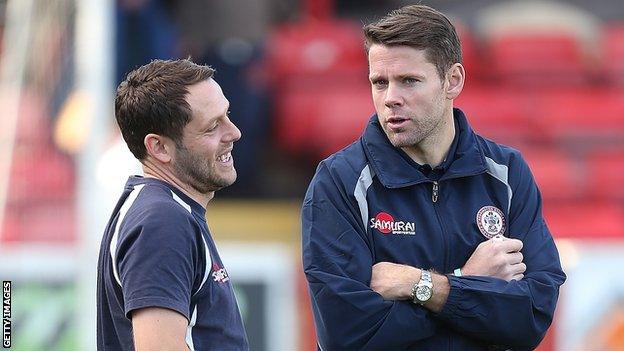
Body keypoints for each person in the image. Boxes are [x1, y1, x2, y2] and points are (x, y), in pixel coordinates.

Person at [301, 5, 565, 351]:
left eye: (409, 80)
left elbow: (531, 317)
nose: (390, 98)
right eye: (379, 83)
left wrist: (421, 285)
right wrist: (469, 283)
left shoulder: (507, 172)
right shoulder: (339, 181)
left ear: (452, 80)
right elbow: (347, 335)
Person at [97, 59, 249, 350]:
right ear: (160, 148)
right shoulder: (163, 222)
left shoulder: (161, 211)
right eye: (212, 127)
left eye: (227, 115)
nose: (233, 133)